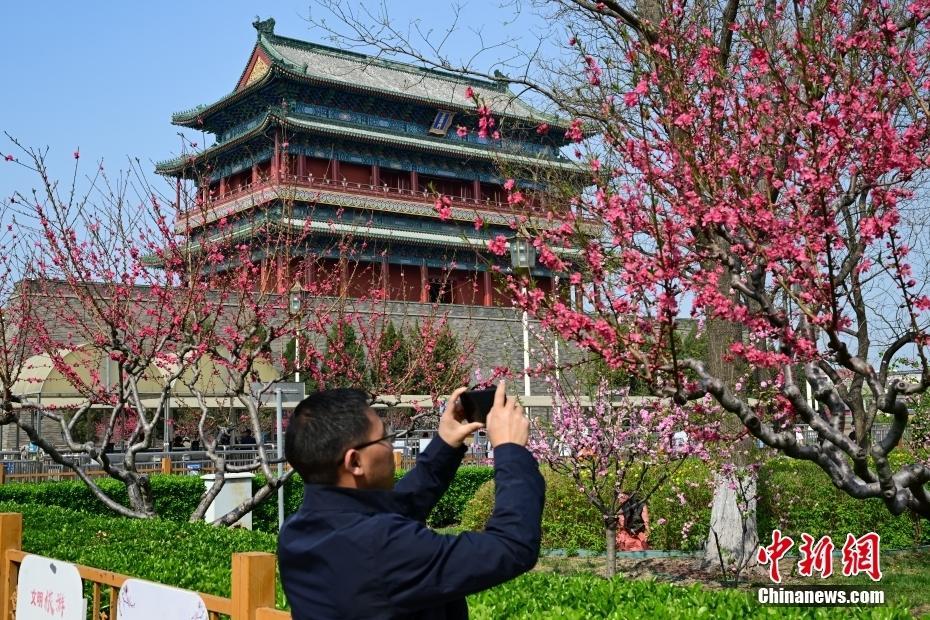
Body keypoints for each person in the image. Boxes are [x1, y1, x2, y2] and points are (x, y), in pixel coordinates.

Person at [279, 382, 544, 620]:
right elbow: (511, 546)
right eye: (384, 438)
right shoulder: (382, 546)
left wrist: (446, 445)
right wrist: (510, 450)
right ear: (355, 461)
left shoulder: (296, 533)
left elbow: (398, 506)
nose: (391, 447)